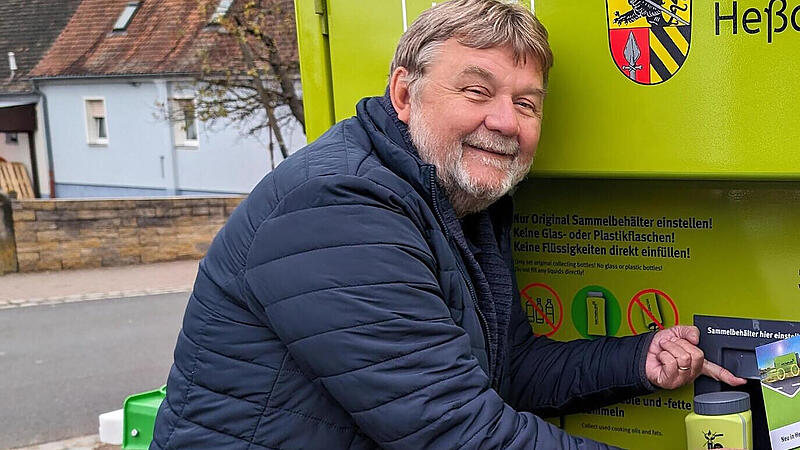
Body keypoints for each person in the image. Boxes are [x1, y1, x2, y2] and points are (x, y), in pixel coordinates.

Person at [151, 1, 744, 448]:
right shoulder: (340, 205)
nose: (505, 122)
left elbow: (506, 372)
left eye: (527, 103)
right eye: (476, 90)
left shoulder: (461, 206)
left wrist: (638, 360)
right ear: (405, 94)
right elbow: (455, 429)